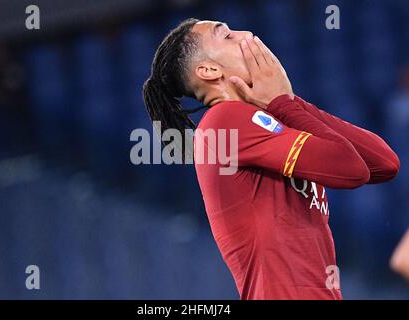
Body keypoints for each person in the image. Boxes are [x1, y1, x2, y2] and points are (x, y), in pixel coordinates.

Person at [142, 18, 400, 299]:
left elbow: (384, 163)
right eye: (226, 35)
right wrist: (283, 103)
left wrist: (288, 102)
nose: (246, 34)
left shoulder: (265, 119)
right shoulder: (224, 120)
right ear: (209, 70)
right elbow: (351, 169)